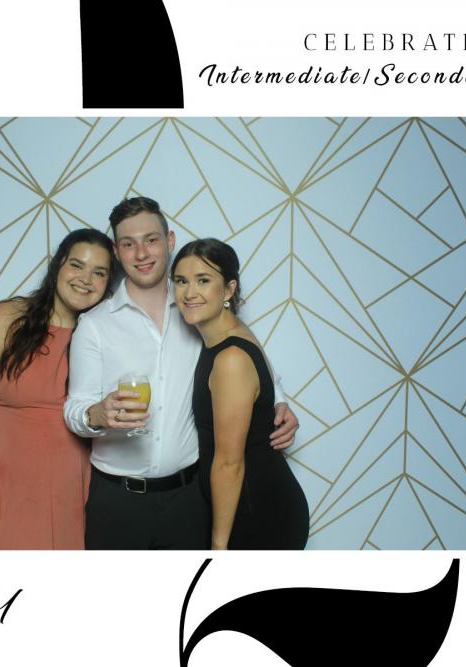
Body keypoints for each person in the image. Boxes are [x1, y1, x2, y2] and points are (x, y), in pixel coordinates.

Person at [63, 196, 299, 549]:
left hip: (189, 499)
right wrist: (97, 414)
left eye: (151, 240)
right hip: (117, 501)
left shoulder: (196, 307)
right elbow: (74, 408)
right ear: (116, 251)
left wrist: (277, 401)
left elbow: (239, 347)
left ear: (169, 241)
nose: (141, 253)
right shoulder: (95, 325)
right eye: (128, 244)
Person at [0, 228, 116, 549]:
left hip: (72, 493)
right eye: (77, 265)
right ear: (58, 264)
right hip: (6, 488)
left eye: (99, 273)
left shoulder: (104, 338)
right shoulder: (7, 318)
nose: (86, 279)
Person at [172, 238, 309, 549]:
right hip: (248, 502)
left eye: (203, 280)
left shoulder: (230, 358)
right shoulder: (230, 334)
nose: (189, 293)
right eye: (181, 281)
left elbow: (229, 463)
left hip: (255, 511)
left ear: (229, 289)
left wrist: (218, 546)